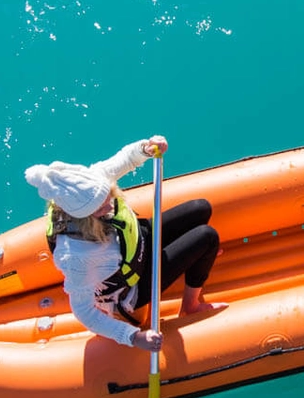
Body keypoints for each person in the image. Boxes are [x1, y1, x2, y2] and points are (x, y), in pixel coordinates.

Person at [24, 136, 225, 352]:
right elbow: (83, 311)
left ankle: (196, 258)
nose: (109, 205)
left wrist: (145, 148)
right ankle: (190, 306)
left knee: (200, 207)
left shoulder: (90, 185)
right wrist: (133, 337)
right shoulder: (76, 255)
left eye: (108, 196)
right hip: (132, 287)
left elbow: (124, 160)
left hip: (135, 244)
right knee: (207, 237)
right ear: (84, 217)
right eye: (101, 207)